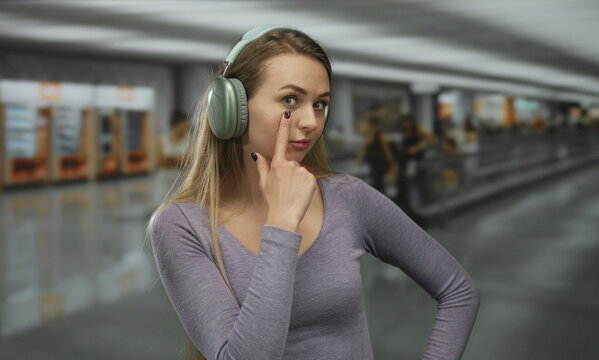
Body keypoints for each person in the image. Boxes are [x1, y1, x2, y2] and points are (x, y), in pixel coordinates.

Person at [147, 25, 480, 360]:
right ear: (232, 109)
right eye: (290, 99)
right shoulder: (181, 226)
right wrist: (281, 224)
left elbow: (458, 290)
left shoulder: (347, 197)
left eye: (320, 104)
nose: (310, 121)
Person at [356, 115, 398, 194]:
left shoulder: (379, 135)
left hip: (380, 162)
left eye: (370, 125)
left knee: (379, 183)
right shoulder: (368, 135)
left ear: (373, 125)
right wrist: (359, 160)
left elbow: (387, 150)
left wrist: (392, 163)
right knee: (376, 182)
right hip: (373, 163)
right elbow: (365, 149)